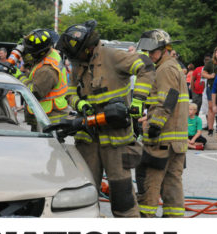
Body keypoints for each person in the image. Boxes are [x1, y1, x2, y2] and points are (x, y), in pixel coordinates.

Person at [57, 20, 154, 218]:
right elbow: (69, 91)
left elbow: (146, 66)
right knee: (85, 191)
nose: (75, 60)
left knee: (122, 194)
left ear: (88, 48)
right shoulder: (78, 64)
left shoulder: (113, 56)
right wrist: (78, 104)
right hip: (88, 139)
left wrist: (139, 100)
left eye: (77, 55)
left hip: (116, 141)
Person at [135, 29, 188, 218]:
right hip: (177, 141)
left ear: (164, 49)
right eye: (148, 52)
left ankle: (145, 220)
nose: (150, 55)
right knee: (173, 185)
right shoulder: (174, 67)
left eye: (153, 51)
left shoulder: (165, 69)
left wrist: (153, 126)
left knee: (151, 183)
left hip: (162, 140)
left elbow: (167, 101)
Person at [1, 29, 69, 125]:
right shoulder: (49, 52)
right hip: (43, 115)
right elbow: (35, 68)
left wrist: (19, 75)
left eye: (31, 51)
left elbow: (34, 92)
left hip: (49, 119)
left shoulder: (47, 70)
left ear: (38, 52)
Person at [203, 46, 217, 136]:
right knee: (211, 107)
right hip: (211, 87)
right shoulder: (210, 62)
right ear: (215, 53)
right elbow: (203, 73)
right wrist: (210, 76)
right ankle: (210, 129)